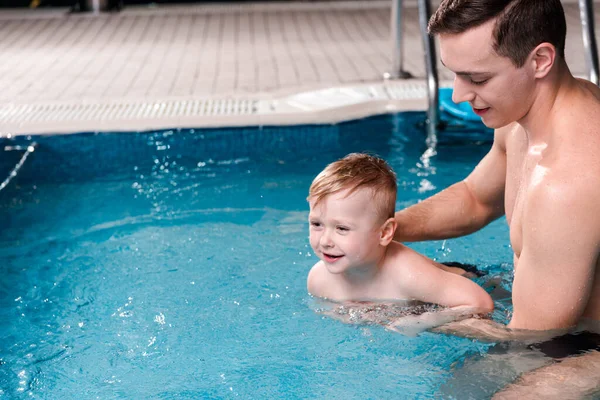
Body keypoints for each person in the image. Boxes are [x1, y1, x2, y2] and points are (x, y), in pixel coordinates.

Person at [393, 0, 600, 397]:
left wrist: (425, 315)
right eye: (453, 74)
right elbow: (474, 199)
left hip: (581, 347)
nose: (456, 95)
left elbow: (530, 341)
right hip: (547, 325)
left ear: (540, 60)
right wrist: (383, 231)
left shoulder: (568, 181)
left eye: (477, 78)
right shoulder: (521, 120)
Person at [306, 153, 493, 321]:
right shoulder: (318, 280)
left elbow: (480, 303)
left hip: (472, 281)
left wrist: (419, 322)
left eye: (341, 228)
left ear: (385, 233)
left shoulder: (408, 275)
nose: (324, 242)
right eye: (316, 224)